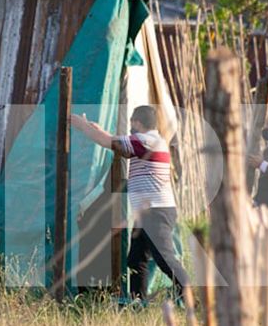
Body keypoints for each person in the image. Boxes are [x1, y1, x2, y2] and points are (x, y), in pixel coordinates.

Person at [70, 106, 190, 302]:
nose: (130, 126)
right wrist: (97, 129)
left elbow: (108, 142)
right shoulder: (150, 141)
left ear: (137, 122)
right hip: (149, 212)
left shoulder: (145, 141)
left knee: (165, 258)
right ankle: (137, 301)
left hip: (156, 212)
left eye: (132, 122)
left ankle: (190, 296)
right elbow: (113, 140)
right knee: (136, 260)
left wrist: (82, 126)